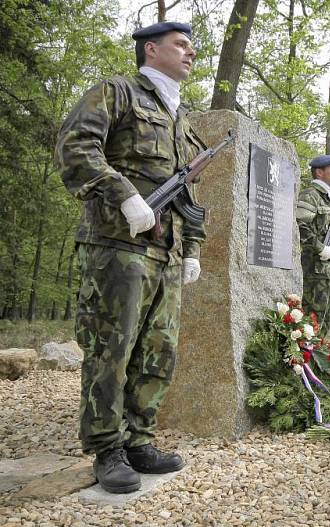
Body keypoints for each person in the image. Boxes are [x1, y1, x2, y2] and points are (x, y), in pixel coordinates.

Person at [55, 22, 205, 493]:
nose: (190, 53)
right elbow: (75, 147)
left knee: (158, 351)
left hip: (168, 254)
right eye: (181, 45)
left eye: (192, 46)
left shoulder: (183, 119)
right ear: (151, 49)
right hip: (118, 247)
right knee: (111, 349)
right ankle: (107, 448)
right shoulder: (116, 93)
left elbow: (190, 194)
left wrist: (193, 249)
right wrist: (122, 194)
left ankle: (139, 439)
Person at [296, 154, 330, 339]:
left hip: (327, 270)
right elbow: (300, 226)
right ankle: (307, 364)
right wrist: (319, 248)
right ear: (319, 172)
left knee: (323, 323)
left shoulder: (327, 197)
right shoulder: (311, 195)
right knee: (311, 323)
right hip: (314, 270)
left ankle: (317, 363)